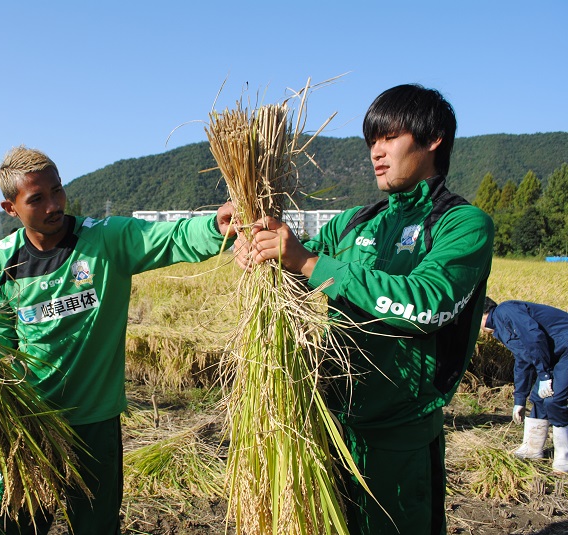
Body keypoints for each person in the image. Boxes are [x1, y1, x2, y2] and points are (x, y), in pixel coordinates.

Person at [235, 84, 494, 534]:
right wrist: (259, 245)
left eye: (389, 137)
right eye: (371, 140)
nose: (377, 151)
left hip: (400, 433)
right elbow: (293, 266)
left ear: (433, 139)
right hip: (330, 424)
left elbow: (425, 305)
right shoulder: (356, 221)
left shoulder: (461, 224)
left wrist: (311, 263)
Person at [0, 145, 234, 535]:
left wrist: (216, 226)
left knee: (96, 526)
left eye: (58, 191)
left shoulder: (106, 240)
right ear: (10, 208)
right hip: (31, 421)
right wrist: (7, 412)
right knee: (18, 526)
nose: (53, 205)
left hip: (94, 420)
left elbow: (172, 237)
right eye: (38, 199)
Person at [481, 297, 568, 473]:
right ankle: (532, 449)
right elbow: (523, 360)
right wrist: (519, 400)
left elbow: (534, 338)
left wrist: (544, 375)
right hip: (556, 354)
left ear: (481, 315)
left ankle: (564, 457)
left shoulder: (504, 311)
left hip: (565, 348)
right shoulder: (501, 326)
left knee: (555, 400)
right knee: (539, 398)